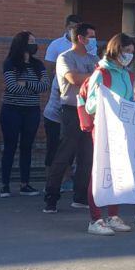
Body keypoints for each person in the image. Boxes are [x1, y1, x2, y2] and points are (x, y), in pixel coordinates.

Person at [82, 34, 135, 234]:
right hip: (104, 129)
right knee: (100, 172)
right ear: (116, 50)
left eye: (132, 52)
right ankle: (96, 219)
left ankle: (113, 215)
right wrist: (107, 101)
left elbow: (130, 103)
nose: (129, 56)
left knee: (118, 173)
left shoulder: (128, 75)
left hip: (122, 130)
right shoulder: (101, 73)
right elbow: (90, 105)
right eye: (126, 51)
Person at [43, 23, 98, 214]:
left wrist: (94, 76)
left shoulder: (94, 58)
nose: (93, 40)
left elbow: (103, 78)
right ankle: (51, 196)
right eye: (90, 36)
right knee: (66, 152)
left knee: (87, 154)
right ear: (81, 38)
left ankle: (81, 196)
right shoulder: (65, 57)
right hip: (71, 109)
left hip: (90, 111)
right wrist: (95, 76)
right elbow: (73, 78)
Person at [0, 32, 50, 197]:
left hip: (31, 111)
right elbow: (12, 87)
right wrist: (33, 87)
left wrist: (26, 83)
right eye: (31, 42)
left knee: (27, 147)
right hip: (11, 110)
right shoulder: (10, 63)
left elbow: (45, 86)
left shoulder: (38, 65)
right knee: (10, 146)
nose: (34, 45)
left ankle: (25, 184)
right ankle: (5, 185)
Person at [43, 14, 82, 174]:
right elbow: (49, 68)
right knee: (54, 145)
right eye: (71, 27)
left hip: (76, 102)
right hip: (59, 99)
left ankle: (66, 176)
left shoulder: (87, 47)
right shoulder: (57, 46)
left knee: (70, 144)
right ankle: (50, 179)